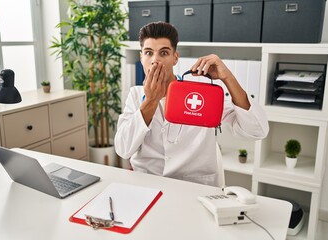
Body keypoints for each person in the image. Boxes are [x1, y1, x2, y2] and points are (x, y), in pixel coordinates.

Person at [114, 22, 269, 186]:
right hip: (148, 184)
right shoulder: (135, 95)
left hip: (195, 188)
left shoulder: (201, 95)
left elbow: (257, 131)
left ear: (175, 58)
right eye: (148, 53)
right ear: (141, 57)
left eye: (164, 53)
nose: (155, 61)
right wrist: (151, 100)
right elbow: (123, 149)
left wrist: (228, 77)